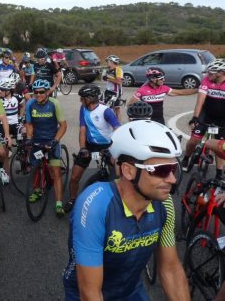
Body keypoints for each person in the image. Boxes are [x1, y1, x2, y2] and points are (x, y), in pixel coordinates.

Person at [63, 120, 190, 300]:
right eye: (161, 170)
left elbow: (170, 269)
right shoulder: (95, 206)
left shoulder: (165, 204)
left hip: (130, 290)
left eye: (173, 169)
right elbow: (90, 292)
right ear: (128, 171)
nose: (172, 179)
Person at [64, 85, 120, 213]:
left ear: (89, 99)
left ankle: (118, 201)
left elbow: (118, 129)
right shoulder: (83, 109)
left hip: (107, 146)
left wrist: (113, 148)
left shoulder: (106, 111)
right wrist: (83, 148)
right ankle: (73, 200)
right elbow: (83, 129)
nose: (80, 101)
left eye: (82, 98)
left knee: (116, 174)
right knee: (74, 177)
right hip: (90, 145)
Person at [25, 79, 68, 216]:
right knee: (36, 166)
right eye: (35, 92)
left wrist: (55, 141)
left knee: (55, 171)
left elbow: (63, 125)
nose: (38, 95)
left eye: (41, 92)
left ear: (47, 92)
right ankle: (37, 190)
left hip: (51, 140)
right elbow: (29, 124)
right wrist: (29, 139)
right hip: (37, 140)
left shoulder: (55, 104)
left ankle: (59, 203)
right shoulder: (30, 104)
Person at [181, 58, 225, 170]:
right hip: (206, 115)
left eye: (211, 72)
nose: (208, 74)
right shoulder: (206, 80)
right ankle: (186, 158)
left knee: (219, 147)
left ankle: (219, 172)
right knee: (193, 140)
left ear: (220, 73)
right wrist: (195, 118)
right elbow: (200, 101)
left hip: (222, 119)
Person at [127, 67, 197, 124]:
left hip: (160, 120)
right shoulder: (142, 90)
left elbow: (181, 92)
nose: (164, 80)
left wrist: (198, 90)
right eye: (161, 78)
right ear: (153, 79)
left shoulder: (164, 88)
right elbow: (130, 104)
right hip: (146, 121)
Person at [102, 55, 124, 121]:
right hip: (108, 90)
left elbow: (119, 81)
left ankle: (118, 125)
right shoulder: (108, 70)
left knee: (117, 108)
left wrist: (108, 79)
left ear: (112, 62)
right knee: (104, 106)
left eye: (108, 61)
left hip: (115, 92)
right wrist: (104, 77)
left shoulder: (118, 70)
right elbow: (105, 79)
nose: (107, 63)